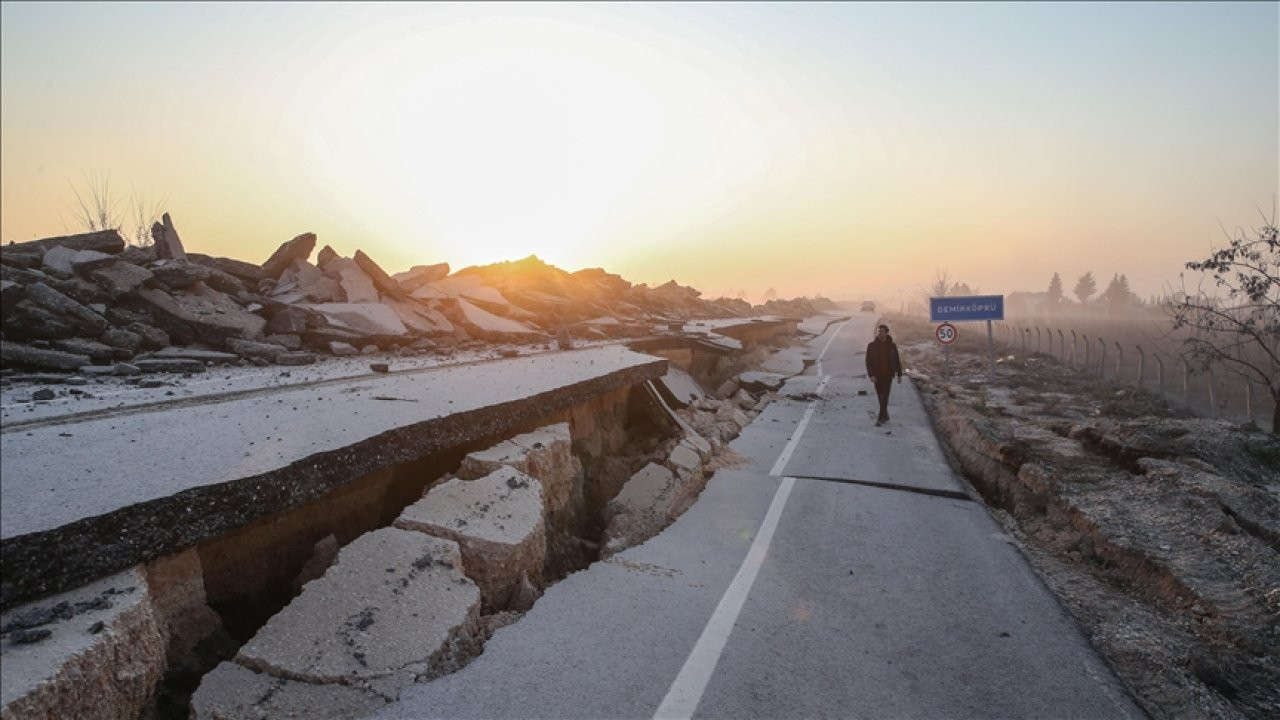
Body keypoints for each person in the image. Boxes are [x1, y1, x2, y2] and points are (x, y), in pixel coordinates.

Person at [865, 323, 903, 426]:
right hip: (877, 376)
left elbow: (897, 360)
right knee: (880, 395)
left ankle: (880, 418)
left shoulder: (892, 346)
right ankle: (885, 415)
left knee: (884, 396)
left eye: (882, 331)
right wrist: (871, 375)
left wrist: (899, 374)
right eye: (878, 331)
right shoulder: (871, 346)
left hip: (888, 375)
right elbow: (868, 362)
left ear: (886, 333)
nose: (880, 333)